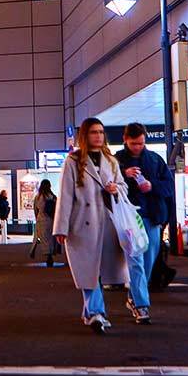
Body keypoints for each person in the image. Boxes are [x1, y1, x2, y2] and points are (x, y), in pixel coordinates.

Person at [54, 117, 144, 332]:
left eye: (101, 132)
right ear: (85, 135)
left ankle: (91, 313)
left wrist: (116, 188)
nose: (98, 136)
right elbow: (65, 196)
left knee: (104, 270)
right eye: (94, 132)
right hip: (82, 223)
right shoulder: (73, 161)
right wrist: (60, 228)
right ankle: (96, 312)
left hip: (108, 221)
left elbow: (124, 187)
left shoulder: (110, 160)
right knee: (88, 270)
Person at [115, 122, 174, 298]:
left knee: (148, 258)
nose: (138, 147)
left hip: (152, 216)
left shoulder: (155, 160)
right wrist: (123, 175)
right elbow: (105, 184)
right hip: (128, 217)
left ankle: (137, 295)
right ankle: (139, 300)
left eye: (141, 143)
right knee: (134, 259)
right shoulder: (115, 161)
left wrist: (152, 185)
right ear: (125, 140)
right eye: (134, 143)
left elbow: (169, 186)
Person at [30, 178, 57, 267]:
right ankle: (50, 254)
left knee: (43, 238)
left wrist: (37, 217)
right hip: (51, 220)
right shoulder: (53, 196)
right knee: (50, 238)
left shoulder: (38, 197)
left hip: (41, 220)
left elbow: (35, 210)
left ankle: (47, 255)